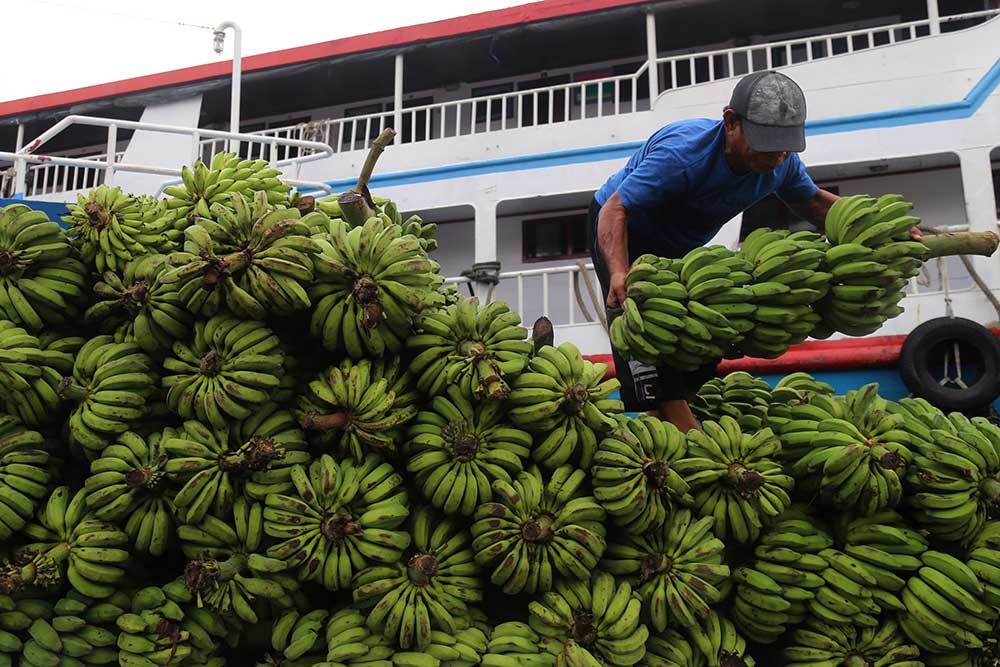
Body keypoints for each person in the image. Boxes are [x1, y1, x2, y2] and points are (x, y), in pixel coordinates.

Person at [589, 70, 839, 432]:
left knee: (707, 328)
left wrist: (873, 223)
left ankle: (667, 417)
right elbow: (616, 209)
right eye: (765, 144)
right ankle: (684, 428)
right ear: (730, 122)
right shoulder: (682, 153)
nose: (776, 156)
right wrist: (618, 272)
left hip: (681, 247)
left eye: (785, 146)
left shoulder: (781, 164)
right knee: (643, 322)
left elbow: (813, 204)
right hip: (626, 228)